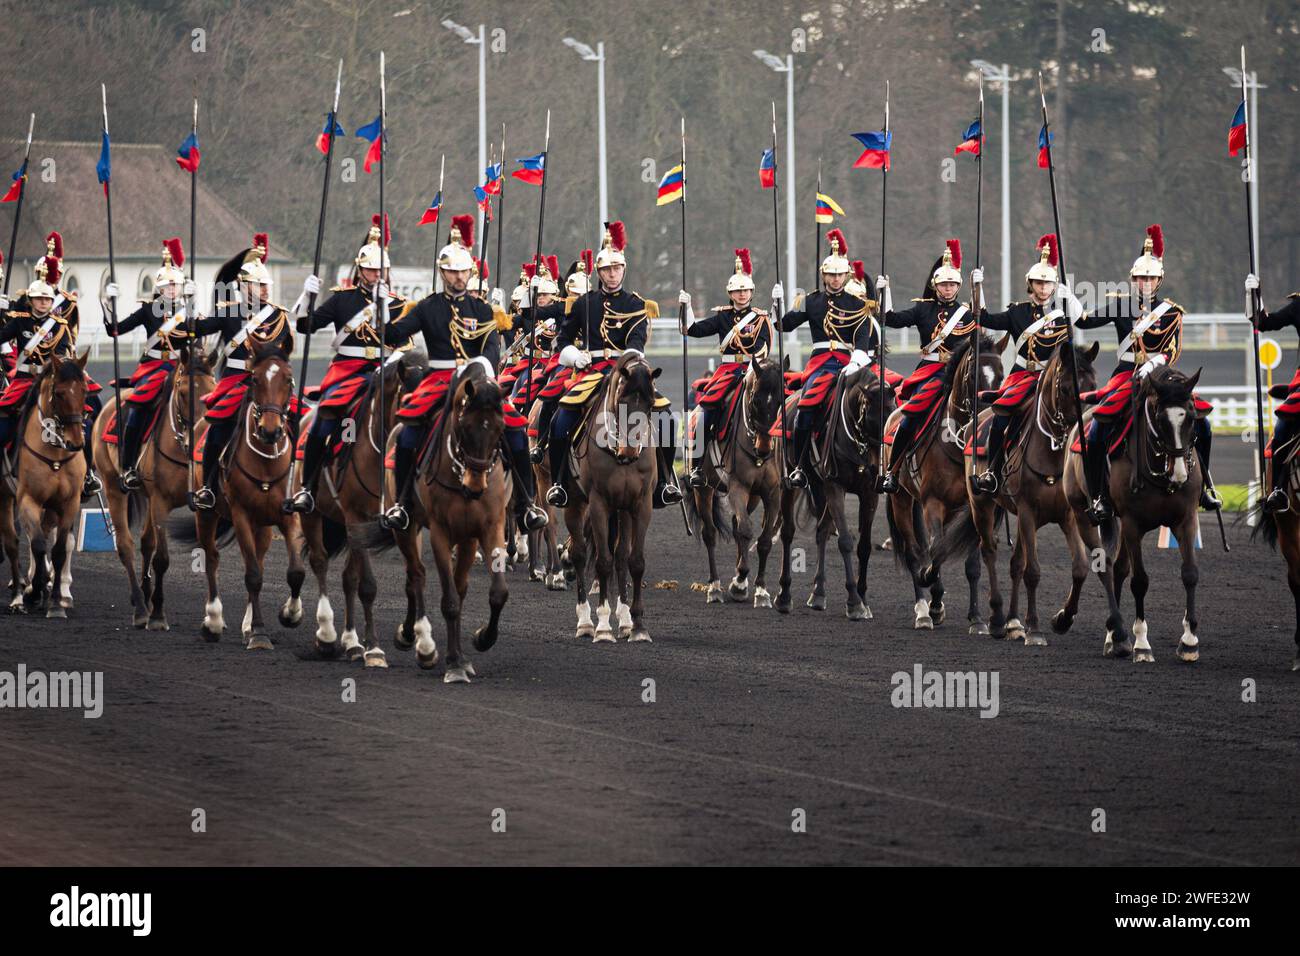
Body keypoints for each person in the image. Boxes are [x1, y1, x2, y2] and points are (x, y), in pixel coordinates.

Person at [379, 214, 547, 533]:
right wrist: (381, 309)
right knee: (408, 432)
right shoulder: (427, 307)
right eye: (452, 272)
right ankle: (401, 502)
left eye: (463, 272)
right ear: (443, 272)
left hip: (477, 382)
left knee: (514, 429)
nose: (458, 277)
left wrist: (482, 367)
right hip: (439, 381)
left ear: (470, 272)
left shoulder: (482, 310)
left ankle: (525, 505)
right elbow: (394, 334)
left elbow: (492, 347)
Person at [1074, 224, 1217, 523]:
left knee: (1203, 424)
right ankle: (1099, 495)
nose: (1145, 282)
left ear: (1159, 279)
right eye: (1140, 277)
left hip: (1163, 377)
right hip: (1126, 375)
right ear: (1134, 279)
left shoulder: (1170, 311)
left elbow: (1174, 349)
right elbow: (1085, 322)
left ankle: (1206, 487)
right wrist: (1068, 299)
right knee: (1099, 427)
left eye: (1150, 277)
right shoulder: (1120, 304)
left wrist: (1157, 361)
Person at [533, 222, 681, 509]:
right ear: (599, 272)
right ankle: (561, 483)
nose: (612, 274)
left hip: (628, 372)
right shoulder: (583, 304)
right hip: (592, 371)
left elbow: (637, 343)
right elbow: (563, 339)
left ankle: (664, 482)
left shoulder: (637, 304)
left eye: (617, 269)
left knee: (665, 417)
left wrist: (625, 365)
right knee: (560, 418)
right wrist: (574, 356)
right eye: (607, 269)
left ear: (623, 270)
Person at [284, 215, 408, 513]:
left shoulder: (397, 303)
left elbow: (401, 343)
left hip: (384, 371)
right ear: (359, 269)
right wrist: (307, 295)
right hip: (347, 370)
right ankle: (308, 487)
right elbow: (305, 326)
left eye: (379, 269)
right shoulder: (343, 301)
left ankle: (407, 493)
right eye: (369, 269)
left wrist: (384, 308)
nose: (374, 274)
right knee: (324, 418)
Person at [970, 234, 1083, 495]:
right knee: (1001, 415)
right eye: (1038, 283)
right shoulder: (1017, 312)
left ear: (1054, 287)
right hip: (1022, 374)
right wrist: (977, 288)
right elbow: (985, 318)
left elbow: (1079, 325)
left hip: (1052, 377)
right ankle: (993, 471)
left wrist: (1071, 298)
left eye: (1048, 284)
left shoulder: (1062, 313)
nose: (1043, 289)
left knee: (1078, 412)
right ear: (1030, 285)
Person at [189, 233, 295, 511]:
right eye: (259, 286)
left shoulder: (278, 316)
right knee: (218, 427)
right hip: (236, 380)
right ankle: (209, 487)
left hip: (267, 384)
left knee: (300, 417)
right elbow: (197, 329)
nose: (264, 291)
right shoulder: (229, 312)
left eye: (266, 286)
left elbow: (284, 353)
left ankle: (301, 484)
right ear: (244, 287)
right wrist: (187, 306)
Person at [775, 228, 879, 493]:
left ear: (846, 275)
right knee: (805, 408)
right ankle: (799, 466)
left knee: (878, 402)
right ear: (824, 276)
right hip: (820, 365)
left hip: (850, 365)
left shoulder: (858, 305)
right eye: (831, 275)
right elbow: (783, 326)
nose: (835, 279)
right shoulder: (809, 301)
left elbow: (863, 339)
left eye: (839, 275)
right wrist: (778, 303)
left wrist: (856, 362)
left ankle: (880, 464)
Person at [0, 233, 102, 497]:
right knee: (3, 415)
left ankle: (88, 471)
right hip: (24, 377)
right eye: (39, 298)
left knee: (88, 411)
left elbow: (67, 346)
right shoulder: (21, 311)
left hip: (55, 377)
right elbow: (6, 331)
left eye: (47, 298)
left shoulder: (63, 317)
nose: (44, 301)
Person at [876, 239, 980, 493]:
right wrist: (884, 292)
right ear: (935, 286)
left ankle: (986, 470)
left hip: (959, 372)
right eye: (944, 284)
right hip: (931, 371)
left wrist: (979, 290)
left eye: (953, 284)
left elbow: (981, 335)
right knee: (912, 414)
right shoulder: (923, 309)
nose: (948, 288)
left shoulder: (966, 313)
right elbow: (891, 319)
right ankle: (893, 469)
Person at [106, 238, 196, 492]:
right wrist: (109, 304)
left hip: (181, 368)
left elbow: (196, 339)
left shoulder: (187, 310)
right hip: (154, 368)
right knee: (138, 409)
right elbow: (116, 330)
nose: (172, 289)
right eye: (167, 285)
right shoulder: (148, 310)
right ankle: (128, 466)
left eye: (175, 285)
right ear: (159, 287)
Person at [678, 247, 773, 487]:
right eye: (737, 291)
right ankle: (698, 467)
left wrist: (755, 368)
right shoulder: (722, 318)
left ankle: (783, 462)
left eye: (745, 290)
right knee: (704, 414)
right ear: (730, 293)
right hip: (728, 372)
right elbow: (693, 331)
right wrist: (686, 308)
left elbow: (763, 347)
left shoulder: (761, 318)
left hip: (754, 371)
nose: (742, 294)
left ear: (752, 292)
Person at [1250, 277, 1300, 512]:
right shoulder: (1298, 306)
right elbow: (1264, 323)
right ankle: (1279, 491)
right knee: (1281, 430)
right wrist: (1254, 296)